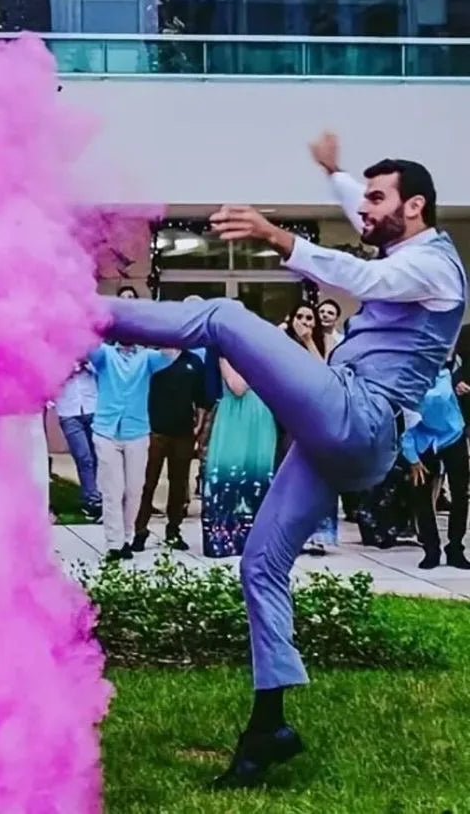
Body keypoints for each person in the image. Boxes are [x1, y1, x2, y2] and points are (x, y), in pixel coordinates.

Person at [99, 132, 466, 788]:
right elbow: (360, 200)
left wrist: (276, 235)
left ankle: (81, 315)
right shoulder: (401, 231)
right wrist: (336, 174)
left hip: (359, 417)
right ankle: (269, 726)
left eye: (378, 202)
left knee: (219, 317)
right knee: (261, 563)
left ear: (413, 207)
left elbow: (361, 276)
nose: (365, 212)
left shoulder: (433, 264)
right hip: (344, 440)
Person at [89, 338, 177, 561]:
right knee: (112, 491)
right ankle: (114, 544)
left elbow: (170, 353)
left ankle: (127, 537)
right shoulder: (105, 355)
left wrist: (150, 327)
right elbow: (86, 345)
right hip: (106, 431)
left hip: (136, 431)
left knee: (134, 490)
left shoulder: (147, 357)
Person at [201, 354, 278, 558]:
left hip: (260, 418)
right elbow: (237, 386)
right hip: (234, 418)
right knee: (229, 472)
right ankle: (224, 539)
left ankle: (255, 539)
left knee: (257, 475)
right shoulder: (225, 358)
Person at [134, 346, 208, 552]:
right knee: (148, 483)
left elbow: (201, 397)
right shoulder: (154, 359)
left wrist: (199, 424)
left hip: (183, 432)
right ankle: (139, 530)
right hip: (155, 430)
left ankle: (173, 529)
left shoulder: (193, 360)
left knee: (178, 483)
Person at [277, 303, 338, 555]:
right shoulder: (281, 342)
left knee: (316, 476)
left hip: (316, 417)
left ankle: (318, 534)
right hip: (288, 416)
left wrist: (309, 341)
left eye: (309, 318)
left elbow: (324, 374)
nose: (305, 321)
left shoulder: (325, 342)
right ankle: (291, 533)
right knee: (290, 475)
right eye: (300, 316)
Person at [403, 361, 470, 570]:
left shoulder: (445, 375)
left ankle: (455, 548)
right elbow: (404, 426)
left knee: (460, 493)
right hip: (423, 441)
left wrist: (459, 383)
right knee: (421, 495)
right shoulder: (406, 384)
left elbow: (442, 393)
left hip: (453, 436)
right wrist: (412, 458)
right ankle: (431, 549)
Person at [51, 361, 101, 521]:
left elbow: (105, 372)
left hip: (93, 406)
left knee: (99, 455)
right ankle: (92, 500)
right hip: (69, 411)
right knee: (83, 457)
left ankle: (103, 495)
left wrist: (87, 364)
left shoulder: (92, 352)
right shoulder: (57, 356)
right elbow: (50, 380)